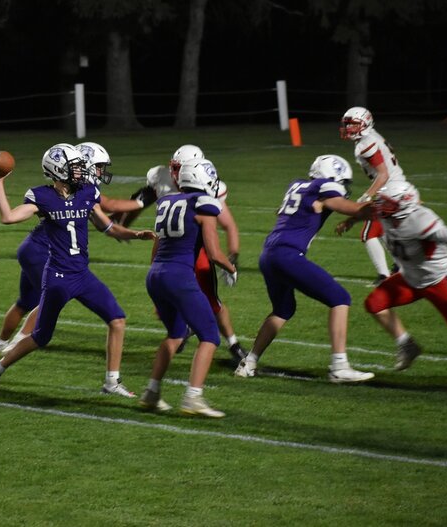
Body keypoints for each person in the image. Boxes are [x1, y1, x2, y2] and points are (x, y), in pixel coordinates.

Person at [0, 144, 155, 398]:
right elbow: (8, 217)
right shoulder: (42, 196)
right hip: (58, 278)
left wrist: (136, 234)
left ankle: (111, 382)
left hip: (82, 275)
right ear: (58, 169)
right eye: (75, 167)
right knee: (41, 337)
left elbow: (109, 228)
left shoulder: (86, 192)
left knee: (117, 320)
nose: (81, 171)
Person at [234, 155, 375, 383]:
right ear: (332, 177)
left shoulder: (297, 184)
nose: (343, 188)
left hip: (268, 253)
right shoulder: (322, 186)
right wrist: (375, 207)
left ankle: (248, 362)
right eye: (342, 182)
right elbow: (347, 207)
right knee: (341, 298)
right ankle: (339, 366)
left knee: (283, 309)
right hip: (287, 254)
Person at [111, 144, 247, 362]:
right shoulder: (162, 179)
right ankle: (183, 332)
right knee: (175, 296)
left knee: (211, 300)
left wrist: (233, 256)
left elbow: (228, 225)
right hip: (169, 249)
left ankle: (232, 344)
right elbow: (140, 201)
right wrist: (123, 225)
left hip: (197, 249)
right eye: (174, 167)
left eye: (180, 168)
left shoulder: (209, 190)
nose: (175, 173)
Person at [140, 159, 237, 417]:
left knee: (174, 335)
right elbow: (214, 253)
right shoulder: (204, 204)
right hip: (179, 275)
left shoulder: (166, 201)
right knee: (209, 336)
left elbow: (158, 245)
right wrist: (231, 267)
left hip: (156, 275)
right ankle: (193, 397)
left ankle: (151, 392)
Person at [364, 181, 447, 369]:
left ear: (404, 204)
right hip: (409, 279)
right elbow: (369, 209)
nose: (381, 206)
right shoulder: (387, 214)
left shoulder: (420, 220)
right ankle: (407, 345)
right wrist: (350, 220)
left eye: (387, 203)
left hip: (438, 280)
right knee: (374, 304)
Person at [336, 107, 403, 285]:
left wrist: (367, 196)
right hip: (396, 188)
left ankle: (384, 277)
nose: (349, 128)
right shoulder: (371, 137)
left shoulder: (366, 143)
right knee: (384, 231)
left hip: (391, 190)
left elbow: (383, 174)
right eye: (347, 124)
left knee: (369, 233)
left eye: (353, 124)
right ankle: (399, 267)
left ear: (365, 123)